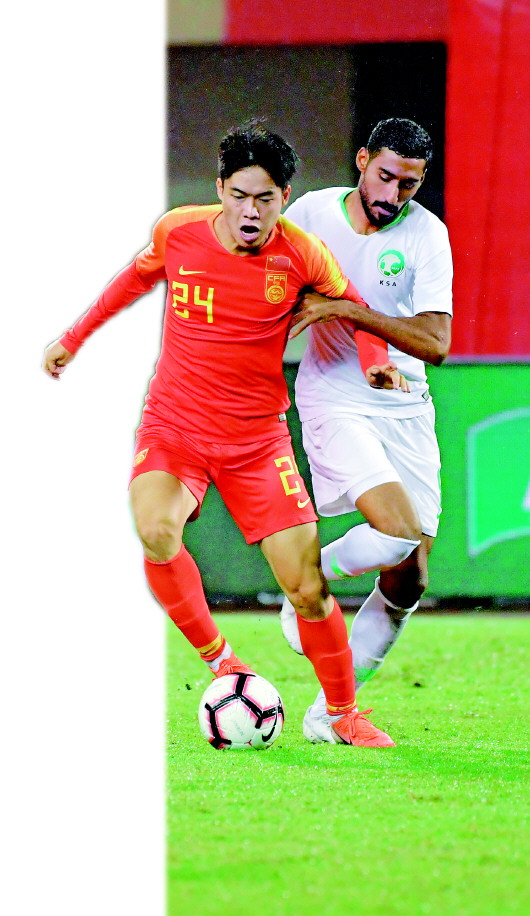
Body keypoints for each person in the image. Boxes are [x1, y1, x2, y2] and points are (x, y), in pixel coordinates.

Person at [42, 119, 403, 748]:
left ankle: (342, 713)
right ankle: (223, 663)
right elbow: (132, 280)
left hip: (258, 443)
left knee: (307, 588)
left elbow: (355, 309)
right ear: (220, 190)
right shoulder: (178, 230)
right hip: (175, 425)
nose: (250, 212)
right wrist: (72, 339)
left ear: (284, 197)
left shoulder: (302, 254)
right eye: (239, 196)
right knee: (155, 529)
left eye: (264, 199)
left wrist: (375, 360)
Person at [279, 118, 452, 740]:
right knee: (395, 530)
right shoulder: (311, 214)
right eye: (385, 176)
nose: (393, 194)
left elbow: (436, 342)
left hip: (406, 403)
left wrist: (350, 309)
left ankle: (329, 715)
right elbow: (269, 284)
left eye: (408, 184)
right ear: (361, 161)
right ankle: (306, 580)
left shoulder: (427, 235)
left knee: (409, 579)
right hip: (334, 396)